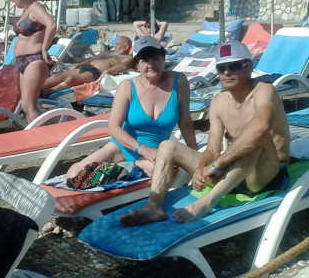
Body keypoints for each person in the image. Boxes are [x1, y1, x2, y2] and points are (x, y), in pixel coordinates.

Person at [120, 41, 290, 226]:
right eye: (221, 68)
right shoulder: (219, 101)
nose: (226, 72)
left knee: (255, 138)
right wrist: (201, 169)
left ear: (248, 67)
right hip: (232, 175)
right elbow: (212, 149)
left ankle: (206, 203)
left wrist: (216, 165)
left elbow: (260, 127)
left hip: (265, 176)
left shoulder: (264, 90)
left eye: (233, 66)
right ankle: (153, 206)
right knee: (167, 146)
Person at [66, 37, 197, 179]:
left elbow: (185, 122)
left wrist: (194, 156)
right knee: (74, 175)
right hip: (122, 148)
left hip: (155, 153)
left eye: (156, 58)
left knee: (162, 170)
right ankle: (128, 168)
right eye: (144, 60)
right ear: (136, 65)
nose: (151, 64)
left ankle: (130, 168)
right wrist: (144, 150)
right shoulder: (127, 87)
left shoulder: (178, 81)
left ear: (163, 59)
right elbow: (113, 128)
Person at [6, 0, 57, 122]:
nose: (12, 0)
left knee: (29, 106)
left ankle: (43, 135)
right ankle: (35, 134)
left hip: (34, 59)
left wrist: (45, 48)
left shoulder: (36, 7)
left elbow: (52, 25)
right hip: (23, 60)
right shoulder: (27, 10)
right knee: (26, 106)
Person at [41, 36, 134, 97]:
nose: (114, 46)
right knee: (56, 77)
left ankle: (50, 91)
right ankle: (37, 88)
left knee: (71, 79)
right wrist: (78, 65)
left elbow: (123, 66)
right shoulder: (111, 53)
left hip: (96, 72)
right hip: (87, 66)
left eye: (117, 44)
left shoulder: (128, 58)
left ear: (125, 47)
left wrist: (107, 71)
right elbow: (91, 60)